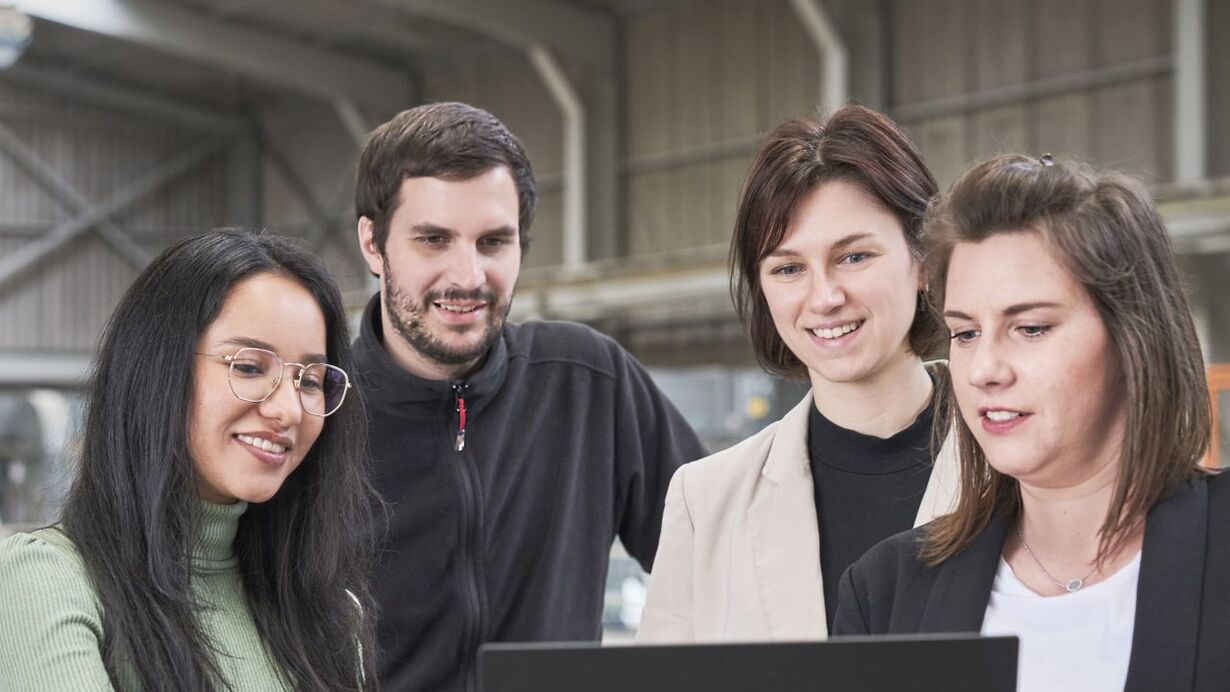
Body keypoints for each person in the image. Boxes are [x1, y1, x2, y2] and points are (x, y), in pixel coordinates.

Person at [833, 154, 1229, 691]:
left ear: (1132, 337)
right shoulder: (888, 593)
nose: (985, 371)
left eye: (1032, 328)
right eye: (966, 333)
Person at [352, 101, 707, 692]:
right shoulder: (317, 410)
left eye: (493, 242)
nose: (467, 277)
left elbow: (719, 558)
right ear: (373, 243)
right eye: (433, 240)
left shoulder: (586, 383)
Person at [0, 229, 376, 691]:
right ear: (158, 368)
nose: (289, 410)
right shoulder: (46, 581)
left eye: (311, 380)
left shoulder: (330, 617)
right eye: (249, 367)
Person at [637, 105, 960, 642]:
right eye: (788, 269)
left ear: (922, 257)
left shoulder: (1021, 464)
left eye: (853, 257)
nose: (825, 297)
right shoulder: (707, 499)